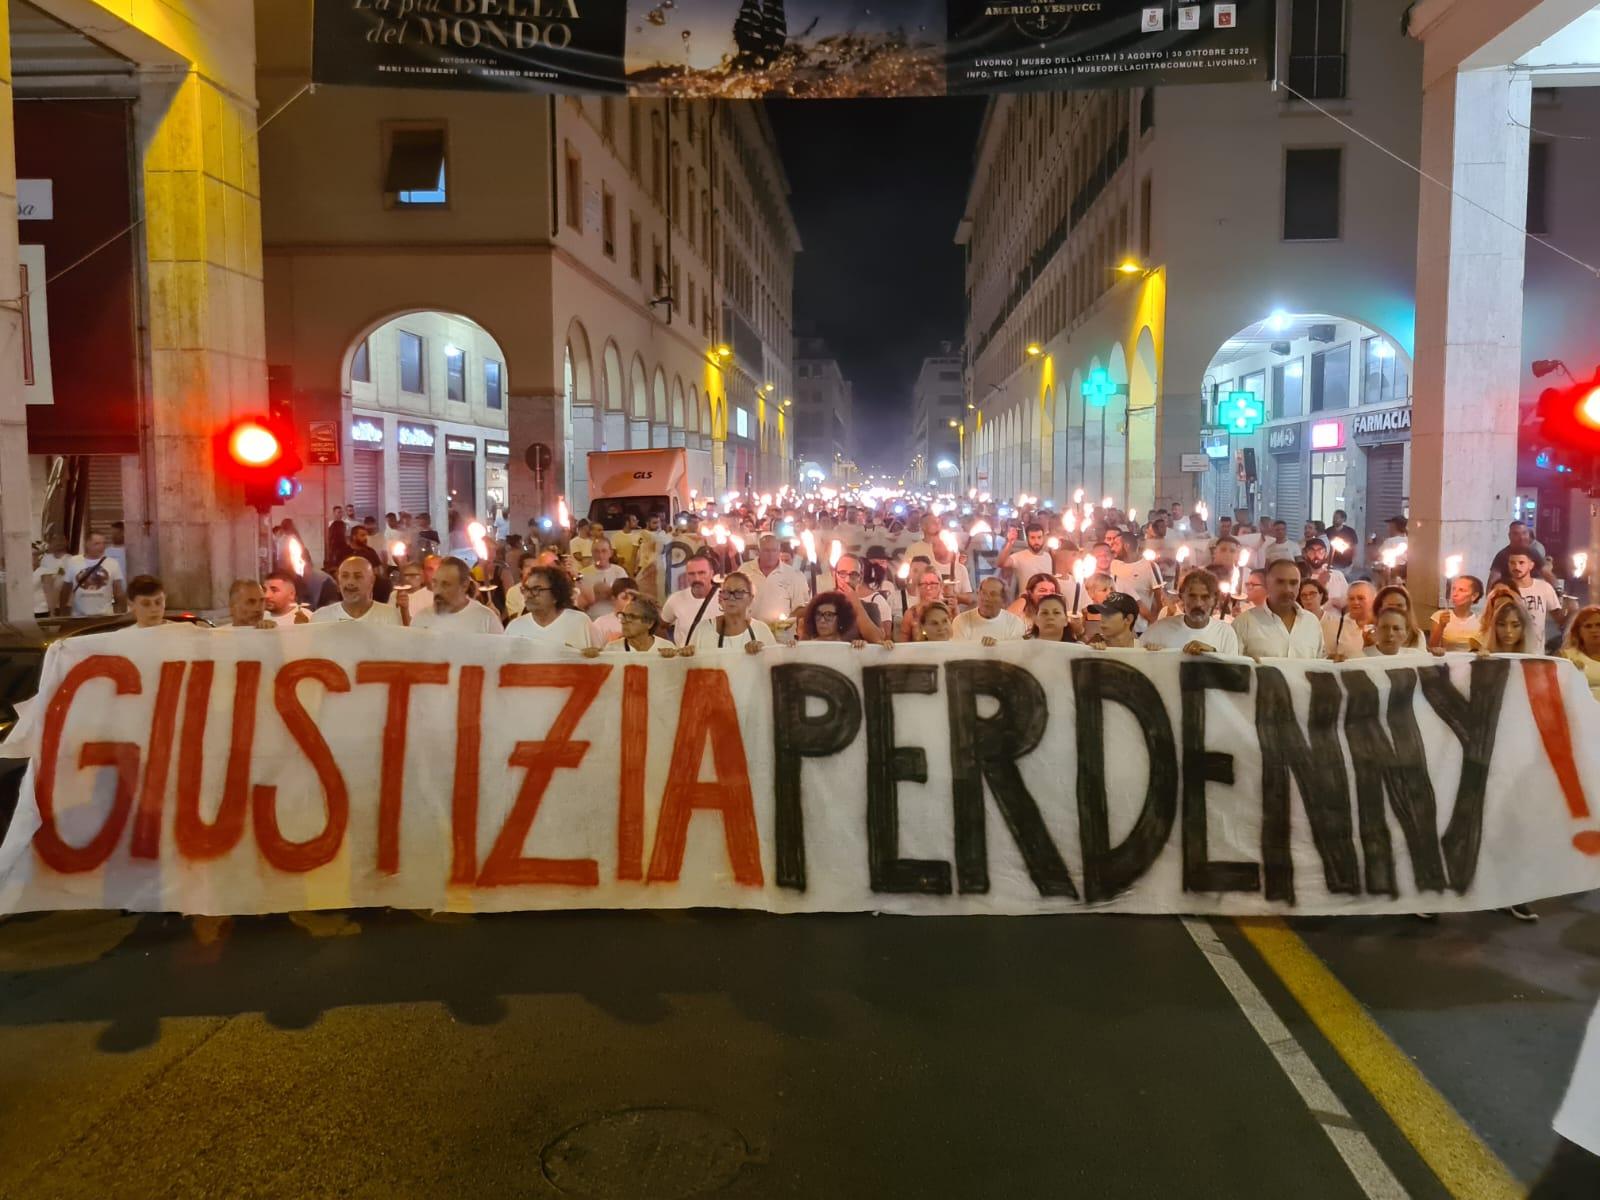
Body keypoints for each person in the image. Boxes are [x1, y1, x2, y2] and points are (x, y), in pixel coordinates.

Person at [1234, 559, 1324, 659]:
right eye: (1280, 582)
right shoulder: (1244, 623)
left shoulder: (1311, 622)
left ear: (1299, 586)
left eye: (1293, 583)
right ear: (1267, 584)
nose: (1287, 589)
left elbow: (1319, 665)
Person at [1143, 570, 1241, 655]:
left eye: (1205, 597)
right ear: (1182, 597)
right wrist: (1148, 654)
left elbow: (1232, 672)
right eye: (1192, 596)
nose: (1198, 603)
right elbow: (1134, 657)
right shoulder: (1159, 630)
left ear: (1214, 600)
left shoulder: (1225, 633)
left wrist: (1212, 654)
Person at [505, 565, 595, 649]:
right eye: (526, 589)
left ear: (556, 594)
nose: (528, 595)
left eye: (536, 589)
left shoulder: (580, 622)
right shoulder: (515, 627)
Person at [686, 571, 775, 653]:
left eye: (739, 592)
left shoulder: (761, 630)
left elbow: (774, 664)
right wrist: (686, 653)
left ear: (750, 598)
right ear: (720, 598)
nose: (731, 598)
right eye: (727, 592)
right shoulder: (703, 630)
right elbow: (689, 665)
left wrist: (763, 652)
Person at [412, 557, 503, 635]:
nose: (438, 591)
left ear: (464, 585)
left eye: (446, 584)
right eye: (435, 583)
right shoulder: (421, 619)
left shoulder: (486, 619)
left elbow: (501, 653)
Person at [310, 557, 403, 625]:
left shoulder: (389, 616)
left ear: (372, 580)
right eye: (345, 576)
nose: (350, 582)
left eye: (358, 576)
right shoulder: (321, 618)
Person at [742, 534, 810, 626]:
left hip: (782, 635)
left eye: (774, 550)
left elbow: (801, 607)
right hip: (750, 630)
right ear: (758, 552)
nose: (770, 554)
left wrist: (785, 623)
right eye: (766, 550)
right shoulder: (744, 570)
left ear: (779, 551)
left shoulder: (794, 575)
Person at [1504, 549, 1563, 652]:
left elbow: (1560, 619)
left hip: (1535, 652)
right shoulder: (1503, 589)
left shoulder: (1544, 587)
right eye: (1512, 563)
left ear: (1531, 565)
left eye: (1521, 563)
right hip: (1509, 652)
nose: (1516, 567)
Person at [661, 552, 722, 645]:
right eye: (691, 574)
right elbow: (660, 626)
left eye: (702, 573)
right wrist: (668, 647)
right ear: (686, 575)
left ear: (712, 573)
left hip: (717, 657)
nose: (697, 578)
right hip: (686, 658)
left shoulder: (725, 598)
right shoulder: (676, 599)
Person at [584, 595, 677, 655]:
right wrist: (592, 658)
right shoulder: (612, 649)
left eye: (631, 617)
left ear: (649, 623)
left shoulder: (667, 648)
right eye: (623, 616)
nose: (624, 621)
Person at [830, 554, 889, 644]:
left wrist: (855, 603)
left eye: (854, 574)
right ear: (834, 575)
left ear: (860, 578)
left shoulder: (870, 608)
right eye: (842, 573)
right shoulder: (822, 605)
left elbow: (878, 639)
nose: (847, 580)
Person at [66, 531, 126, 616]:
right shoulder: (73, 561)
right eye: (97, 543)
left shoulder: (112, 563)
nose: (101, 546)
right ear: (87, 544)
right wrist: (63, 613)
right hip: (79, 616)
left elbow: (118, 592)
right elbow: (66, 588)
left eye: (103, 543)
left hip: (105, 616)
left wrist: (122, 614)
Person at [953, 578, 1027, 644]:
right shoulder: (961, 621)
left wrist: (996, 647)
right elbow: (960, 654)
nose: (986, 598)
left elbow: (1015, 655)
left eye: (993, 594)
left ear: (1003, 600)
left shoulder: (1014, 623)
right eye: (983, 593)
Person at [1488, 520, 1556, 588]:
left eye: (1524, 533)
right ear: (1510, 536)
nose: (1521, 537)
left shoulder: (1534, 552)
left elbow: (1547, 574)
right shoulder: (1502, 555)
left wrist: (1558, 590)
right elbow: (1493, 579)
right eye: (1516, 534)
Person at [1430, 575, 1484, 653]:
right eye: (1454, 589)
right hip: (1447, 662)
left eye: (1461, 590)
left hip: (1473, 663)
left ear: (1474, 596)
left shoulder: (1481, 620)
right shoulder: (1440, 615)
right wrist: (1441, 626)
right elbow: (1432, 647)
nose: (1455, 594)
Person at [578, 537, 629, 619]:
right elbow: (577, 605)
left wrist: (610, 593)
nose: (600, 555)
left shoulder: (619, 572)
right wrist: (594, 596)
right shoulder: (582, 574)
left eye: (604, 551)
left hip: (615, 618)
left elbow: (628, 600)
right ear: (592, 553)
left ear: (611, 553)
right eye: (596, 551)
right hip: (591, 618)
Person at [998, 522, 1053, 594]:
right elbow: (1001, 563)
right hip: (1026, 602)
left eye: (1039, 537)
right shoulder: (1019, 556)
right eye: (1032, 538)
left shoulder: (1048, 556)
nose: (1036, 541)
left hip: (1045, 601)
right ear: (1027, 539)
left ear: (1043, 538)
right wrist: (1010, 543)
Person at [1372, 585, 1429, 652]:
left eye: (1400, 606)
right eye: (1390, 606)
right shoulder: (1368, 635)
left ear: (1407, 608)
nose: (1395, 610)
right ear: (1379, 608)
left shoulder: (1417, 636)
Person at [800, 591, 865, 646]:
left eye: (829, 615)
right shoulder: (807, 646)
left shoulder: (851, 646)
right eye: (818, 614)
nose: (822, 620)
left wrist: (862, 647)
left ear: (841, 619)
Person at [1562, 606, 1600, 700]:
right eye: (1588, 626)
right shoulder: (1566, 657)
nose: (1594, 630)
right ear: (1578, 631)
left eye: (1599, 625)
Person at [588, 577, 640, 645]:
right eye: (624, 598)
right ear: (613, 599)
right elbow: (595, 651)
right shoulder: (601, 624)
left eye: (633, 599)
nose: (629, 602)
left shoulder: (642, 622)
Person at [1299, 538, 1348, 610]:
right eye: (1312, 551)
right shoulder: (1302, 578)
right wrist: (1321, 584)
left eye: (1320, 551)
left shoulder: (1337, 575)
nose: (1316, 554)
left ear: (1326, 554)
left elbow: (1348, 600)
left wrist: (1342, 603)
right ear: (1305, 554)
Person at [1366, 609, 1430, 659]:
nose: (1390, 633)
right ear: (1376, 630)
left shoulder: (1416, 657)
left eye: (1396, 628)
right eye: (1384, 627)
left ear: (1406, 634)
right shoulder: (1363, 656)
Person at [32, 534, 71, 616]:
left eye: (61, 540)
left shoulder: (72, 560)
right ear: (50, 543)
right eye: (55, 540)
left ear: (66, 542)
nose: (58, 543)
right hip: (47, 604)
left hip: (66, 603)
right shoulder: (45, 559)